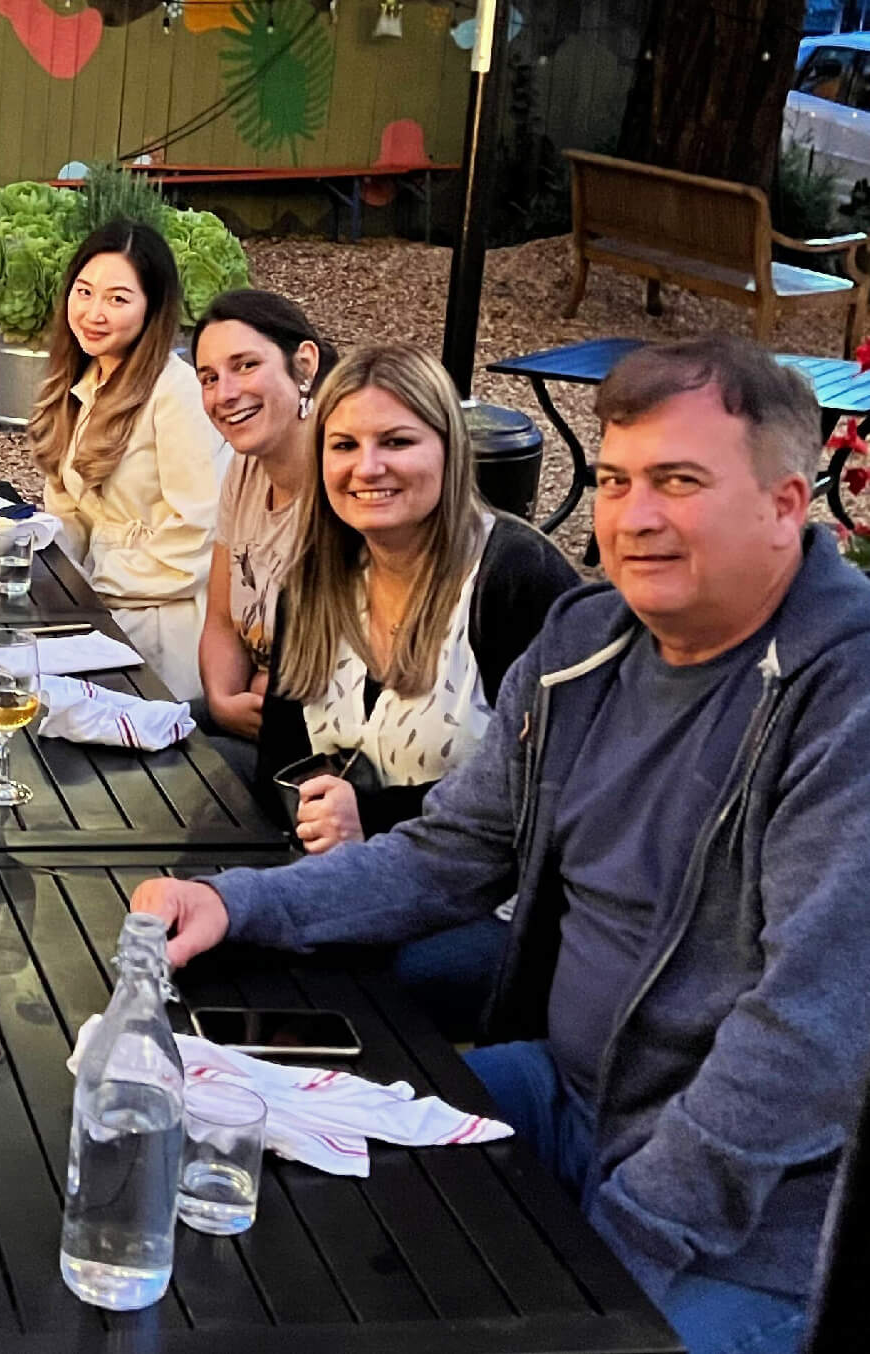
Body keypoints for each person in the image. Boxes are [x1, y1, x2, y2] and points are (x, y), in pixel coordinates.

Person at [132, 334, 870, 1354]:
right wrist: (239, 902)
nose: (635, 515)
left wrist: (620, 1238)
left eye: (679, 480)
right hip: (566, 1096)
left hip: (749, 1216)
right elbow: (450, 854)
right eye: (613, 479)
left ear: (788, 504)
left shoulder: (844, 697)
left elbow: (810, 1037)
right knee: (261, 1174)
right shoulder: (586, 645)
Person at [254, 343, 578, 1033]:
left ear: (448, 451)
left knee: (341, 978)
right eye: (343, 444)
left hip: (498, 905)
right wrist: (314, 811)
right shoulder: (316, 581)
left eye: (396, 441)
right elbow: (277, 759)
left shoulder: (514, 578)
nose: (366, 468)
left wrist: (369, 815)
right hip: (360, 875)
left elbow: (552, 803)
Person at [30, 219, 228, 701]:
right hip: (92, 606)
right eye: (84, 292)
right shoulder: (80, 381)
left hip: (158, 623)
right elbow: (70, 511)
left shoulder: (176, 393)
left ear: (152, 308)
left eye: (118, 299)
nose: (94, 313)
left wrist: (95, 581)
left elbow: (200, 534)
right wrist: (34, 555)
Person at [189, 289, 337, 782]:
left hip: (318, 749)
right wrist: (223, 699)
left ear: (304, 364)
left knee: (176, 779)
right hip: (249, 707)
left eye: (245, 365)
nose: (224, 393)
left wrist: (261, 695)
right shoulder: (246, 470)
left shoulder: (343, 483)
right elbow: (221, 619)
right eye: (209, 378)